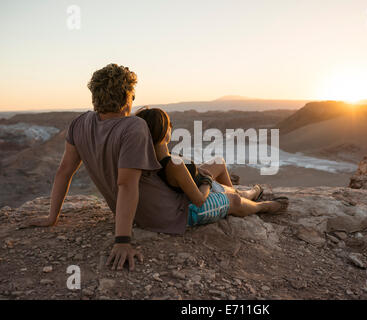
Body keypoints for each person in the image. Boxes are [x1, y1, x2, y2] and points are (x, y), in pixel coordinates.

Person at [23, 64, 190, 271]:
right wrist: (122, 241)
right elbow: (127, 185)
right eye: (133, 95)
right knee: (234, 200)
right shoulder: (134, 127)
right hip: (172, 213)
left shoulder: (79, 123)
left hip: (136, 217)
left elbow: (64, 171)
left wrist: (52, 217)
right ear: (127, 96)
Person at [135, 107, 288, 226]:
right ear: (163, 131)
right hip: (195, 200)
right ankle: (262, 206)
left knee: (218, 162)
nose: (172, 128)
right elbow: (199, 200)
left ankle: (246, 196)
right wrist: (206, 181)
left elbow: (180, 172)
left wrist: (196, 170)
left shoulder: (154, 156)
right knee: (234, 198)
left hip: (193, 185)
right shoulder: (174, 165)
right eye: (170, 125)